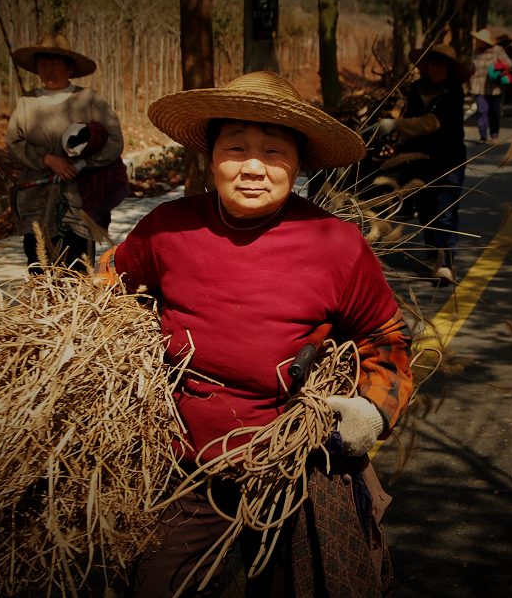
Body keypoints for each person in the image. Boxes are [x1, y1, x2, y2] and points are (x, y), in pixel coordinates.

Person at [99, 71, 415, 596]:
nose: (252, 167)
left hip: (292, 473)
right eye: (236, 148)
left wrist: (369, 411)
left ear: (297, 163)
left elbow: (386, 337)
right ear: (211, 157)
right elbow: (107, 289)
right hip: (184, 470)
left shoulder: (335, 245)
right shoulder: (167, 229)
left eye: (273, 152)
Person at [6, 32, 128, 272]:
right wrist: (47, 159)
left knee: (76, 269)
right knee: (40, 268)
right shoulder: (26, 103)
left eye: (54, 63)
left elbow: (114, 141)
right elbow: (13, 142)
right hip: (36, 200)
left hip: (79, 199)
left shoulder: (89, 100)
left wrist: (81, 165)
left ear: (69, 67)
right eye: (43, 63)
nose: (48, 69)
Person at [378, 43, 469, 285]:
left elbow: (431, 123)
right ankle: (433, 256)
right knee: (427, 209)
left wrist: (396, 125)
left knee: (444, 211)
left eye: (442, 65)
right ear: (426, 67)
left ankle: (446, 264)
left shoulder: (453, 93)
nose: (437, 69)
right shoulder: (416, 89)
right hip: (419, 160)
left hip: (448, 160)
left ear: (449, 70)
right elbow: (407, 115)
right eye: (433, 64)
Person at [469, 28, 512, 144]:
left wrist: (500, 72)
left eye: (481, 40)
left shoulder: (497, 50)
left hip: (494, 87)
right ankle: (483, 136)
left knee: (494, 112)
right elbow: (472, 68)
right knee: (482, 110)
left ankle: (494, 134)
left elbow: (508, 64)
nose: (479, 42)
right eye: (478, 40)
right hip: (478, 86)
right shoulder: (475, 51)